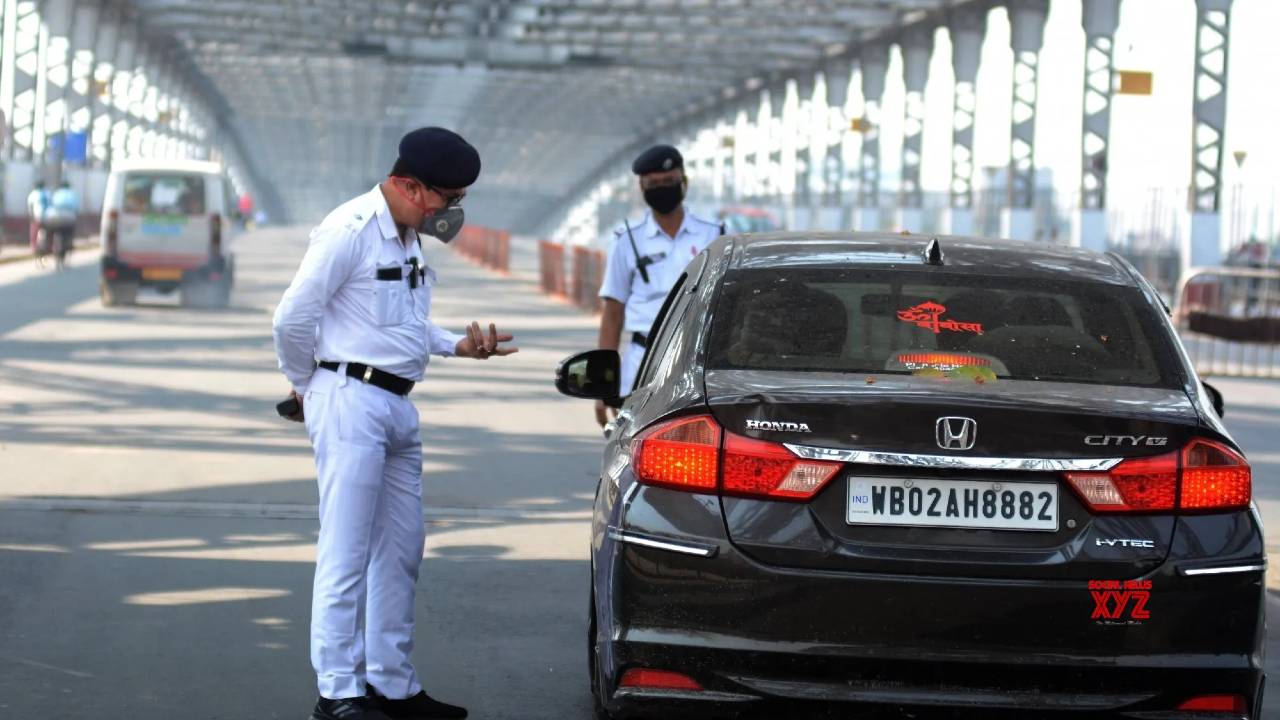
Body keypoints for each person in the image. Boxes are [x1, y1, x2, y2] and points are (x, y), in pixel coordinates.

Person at [273, 127, 517, 720]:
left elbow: (402, 326)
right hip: (349, 399)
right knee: (346, 550)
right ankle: (338, 692)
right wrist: (309, 386)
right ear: (409, 185)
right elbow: (291, 319)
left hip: (396, 406)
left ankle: (392, 685)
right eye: (446, 197)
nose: (448, 211)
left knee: (402, 550)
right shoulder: (349, 230)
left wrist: (459, 345)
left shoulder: (407, 237)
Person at [594, 144, 722, 426]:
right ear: (642, 188)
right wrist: (603, 386)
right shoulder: (627, 241)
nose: (662, 188)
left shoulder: (715, 234)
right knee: (631, 450)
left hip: (699, 362)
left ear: (684, 184)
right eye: (654, 184)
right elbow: (613, 312)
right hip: (642, 363)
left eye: (669, 182)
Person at [47, 180, 80, 270]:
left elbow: (50, 205)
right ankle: (68, 246)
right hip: (68, 218)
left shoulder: (56, 193)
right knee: (68, 235)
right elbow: (77, 208)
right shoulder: (73, 194)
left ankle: (50, 245)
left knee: (52, 232)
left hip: (54, 217)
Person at [26, 180, 49, 256]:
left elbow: (30, 207)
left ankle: (33, 246)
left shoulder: (33, 194)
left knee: (34, 231)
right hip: (47, 217)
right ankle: (49, 246)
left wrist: (32, 217)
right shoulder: (47, 193)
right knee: (49, 231)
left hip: (36, 217)